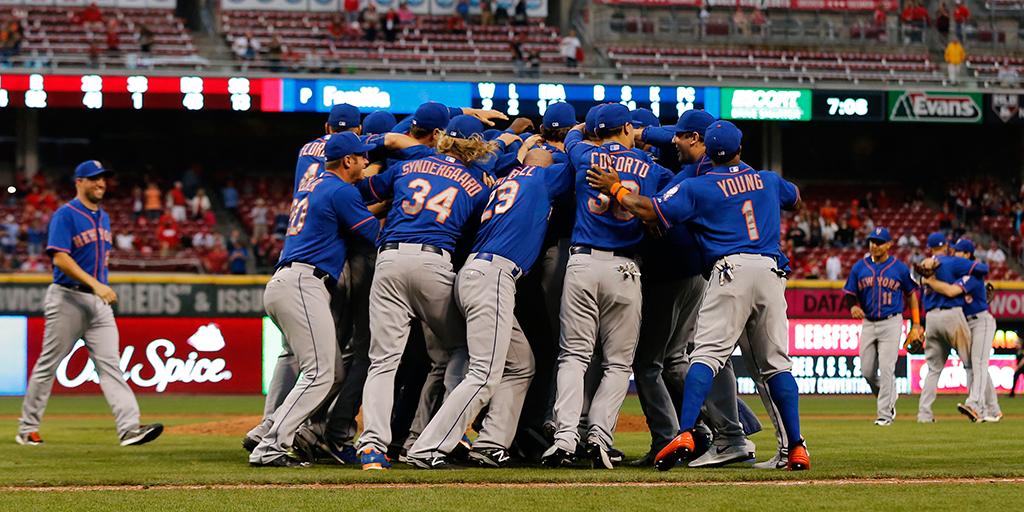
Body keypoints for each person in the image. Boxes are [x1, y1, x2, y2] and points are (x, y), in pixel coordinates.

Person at [587, 120, 810, 471]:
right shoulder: (766, 179)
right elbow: (795, 198)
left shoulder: (699, 186)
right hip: (770, 271)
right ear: (739, 149)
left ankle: (687, 431)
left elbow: (650, 210)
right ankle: (795, 447)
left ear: (704, 147)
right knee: (776, 365)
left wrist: (616, 189)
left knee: (704, 357)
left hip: (731, 271)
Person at [408, 142, 572, 469]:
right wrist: (571, 139)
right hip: (494, 275)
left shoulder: (503, 182)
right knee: (484, 374)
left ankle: (491, 443)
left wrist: (513, 142)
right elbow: (578, 164)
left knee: (521, 363)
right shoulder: (541, 177)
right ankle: (427, 447)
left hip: (475, 273)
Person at [354, 115, 495, 470]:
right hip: (435, 263)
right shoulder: (478, 184)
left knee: (383, 361)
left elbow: (364, 191)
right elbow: (473, 234)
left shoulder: (410, 165)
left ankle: (372, 447)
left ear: (444, 139)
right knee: (463, 348)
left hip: (388, 260)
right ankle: (445, 436)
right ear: (475, 148)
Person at [540, 104, 673, 469]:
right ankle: (599, 436)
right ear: (628, 127)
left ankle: (565, 437)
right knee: (617, 363)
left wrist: (586, 128)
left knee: (573, 356)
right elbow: (664, 208)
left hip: (581, 262)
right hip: (624, 267)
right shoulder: (653, 168)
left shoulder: (584, 153)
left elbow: (570, 136)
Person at [249, 132, 380, 467]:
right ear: (347, 160)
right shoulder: (339, 189)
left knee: (331, 371)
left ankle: (283, 434)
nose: (366, 161)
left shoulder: (314, 185)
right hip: (303, 283)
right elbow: (372, 235)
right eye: (361, 156)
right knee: (321, 372)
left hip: (291, 282)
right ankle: (270, 445)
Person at [17, 160, 163, 447]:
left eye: (103, 179)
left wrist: (98, 287)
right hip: (67, 297)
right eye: (94, 179)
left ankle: (129, 428)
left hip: (97, 302)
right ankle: (27, 428)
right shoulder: (66, 214)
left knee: (111, 366)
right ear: (79, 182)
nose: (100, 183)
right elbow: (59, 257)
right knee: (49, 364)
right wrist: (97, 284)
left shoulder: (103, 216)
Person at [843, 227, 922, 426]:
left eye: (879, 242)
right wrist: (853, 306)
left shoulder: (900, 268)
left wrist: (917, 324)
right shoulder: (859, 267)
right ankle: (887, 396)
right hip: (869, 322)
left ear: (888, 245)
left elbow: (912, 294)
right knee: (866, 371)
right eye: (872, 241)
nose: (874, 245)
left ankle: (884, 414)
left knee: (887, 368)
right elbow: (849, 293)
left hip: (892, 322)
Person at [921, 239, 1002, 423]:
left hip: (981, 322)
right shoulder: (956, 273)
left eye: (958, 251)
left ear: (966, 255)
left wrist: (929, 280)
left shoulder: (970, 276)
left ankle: (974, 404)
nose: (954, 253)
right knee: (978, 365)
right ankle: (994, 409)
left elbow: (950, 291)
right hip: (966, 323)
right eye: (954, 250)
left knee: (978, 363)